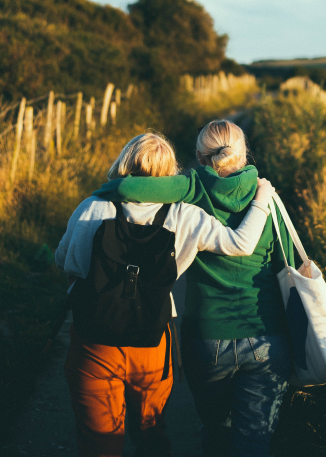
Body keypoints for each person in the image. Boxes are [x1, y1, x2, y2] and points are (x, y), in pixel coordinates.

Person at [55, 132, 276, 457]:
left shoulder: (94, 206)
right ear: (170, 172)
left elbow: (64, 261)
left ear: (124, 161)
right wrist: (261, 198)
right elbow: (240, 244)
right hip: (153, 340)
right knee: (151, 432)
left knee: (98, 440)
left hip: (94, 340)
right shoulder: (184, 215)